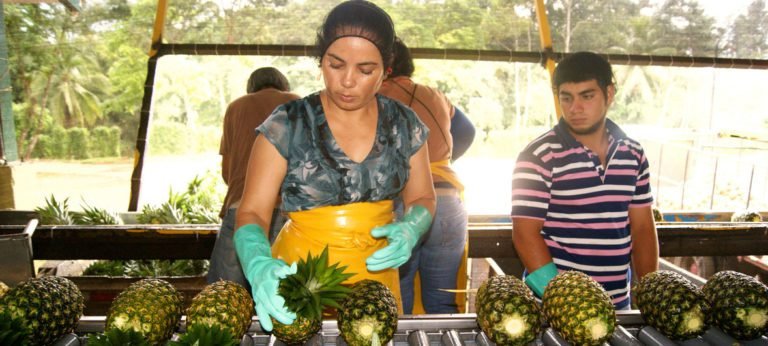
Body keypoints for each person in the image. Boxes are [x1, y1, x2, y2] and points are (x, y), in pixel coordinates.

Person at [234, 0, 436, 332]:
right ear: (321, 60)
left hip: (377, 283)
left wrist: (412, 227)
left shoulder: (404, 125)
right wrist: (257, 263)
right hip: (299, 281)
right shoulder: (288, 123)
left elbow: (423, 198)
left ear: (386, 70)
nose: (347, 81)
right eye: (335, 64)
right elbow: (253, 211)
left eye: (365, 70)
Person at [510, 51, 658, 310]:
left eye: (586, 96)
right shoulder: (539, 156)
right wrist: (563, 303)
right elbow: (525, 235)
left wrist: (649, 297)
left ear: (609, 94)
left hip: (617, 304)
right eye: (566, 98)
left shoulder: (632, 154)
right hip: (556, 307)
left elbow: (643, 228)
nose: (574, 108)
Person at [378, 38, 475, 314]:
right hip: (446, 202)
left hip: (399, 206)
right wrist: (440, 162)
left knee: (398, 301)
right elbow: (467, 131)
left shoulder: (372, 98)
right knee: (443, 299)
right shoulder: (435, 95)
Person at [206, 67, 300, 290]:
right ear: (283, 85)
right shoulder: (296, 102)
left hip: (241, 208)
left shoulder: (236, 107)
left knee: (225, 292)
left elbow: (227, 171)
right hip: (288, 208)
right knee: (286, 292)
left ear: (251, 88)